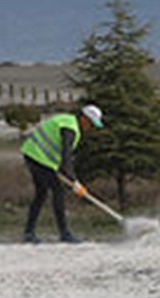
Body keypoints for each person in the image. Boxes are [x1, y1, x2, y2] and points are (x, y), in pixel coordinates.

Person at [20, 104, 104, 243]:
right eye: (90, 123)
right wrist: (74, 181)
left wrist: (71, 178)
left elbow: (61, 157)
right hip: (38, 157)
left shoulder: (68, 121)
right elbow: (66, 157)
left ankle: (29, 232)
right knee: (58, 192)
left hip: (34, 155)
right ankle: (64, 233)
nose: (90, 127)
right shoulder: (70, 129)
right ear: (83, 118)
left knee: (41, 193)